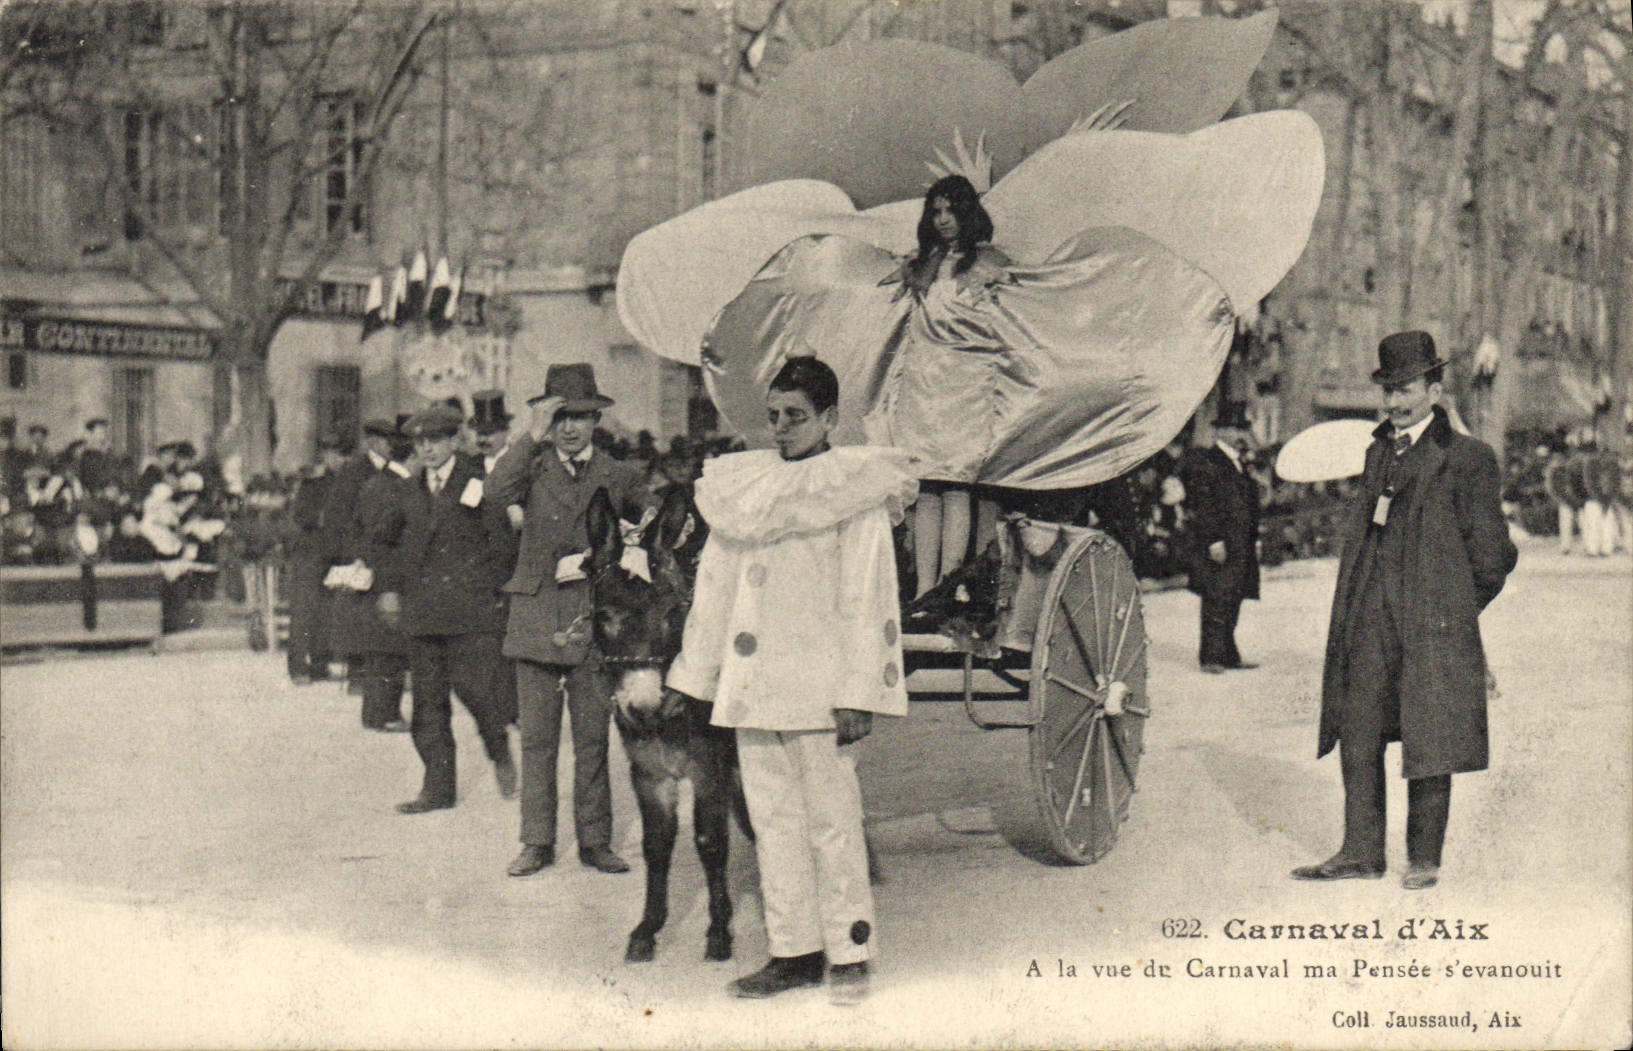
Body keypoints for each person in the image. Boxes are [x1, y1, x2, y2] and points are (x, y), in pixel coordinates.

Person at [667, 357, 917, 1004]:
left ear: (831, 418)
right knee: (773, 820)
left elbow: (868, 598)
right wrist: (697, 674)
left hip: (820, 687)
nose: (780, 429)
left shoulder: (851, 491)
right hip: (754, 684)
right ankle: (793, 949)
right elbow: (715, 585)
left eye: (796, 417)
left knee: (831, 819)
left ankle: (850, 949)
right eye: (773, 416)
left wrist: (859, 692)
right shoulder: (745, 487)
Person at [1292, 331, 1516, 890]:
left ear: (1436, 390)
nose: (1393, 403)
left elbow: (1494, 556)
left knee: (1430, 736)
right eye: (1387, 391)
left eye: (1406, 390)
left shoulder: (1467, 459)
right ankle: (1361, 852)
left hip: (1430, 625)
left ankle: (1424, 858)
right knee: (1358, 731)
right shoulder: (1377, 452)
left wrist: (1452, 608)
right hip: (1369, 622)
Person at [486, 364, 649, 876]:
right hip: (535, 617)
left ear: (597, 418)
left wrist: (629, 545)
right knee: (536, 740)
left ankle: (595, 841)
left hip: (591, 622)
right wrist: (527, 439)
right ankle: (536, 841)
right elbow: (493, 497)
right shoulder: (530, 467)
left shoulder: (618, 474)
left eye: (579, 416)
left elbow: (651, 522)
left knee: (592, 739)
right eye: (559, 417)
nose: (570, 428)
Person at [379, 405, 517, 814]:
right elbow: (385, 543)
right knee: (427, 705)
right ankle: (437, 789)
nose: (427, 450)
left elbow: (501, 544)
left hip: (471, 613)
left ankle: (498, 746)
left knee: (478, 692)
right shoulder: (406, 490)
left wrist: (494, 593)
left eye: (436, 441)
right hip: (423, 616)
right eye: (420, 442)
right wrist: (388, 589)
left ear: (455, 441)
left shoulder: (478, 483)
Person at [323, 419, 410, 733]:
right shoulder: (375, 479)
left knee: (380, 642)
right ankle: (381, 711)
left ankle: (378, 709)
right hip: (376, 566)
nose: (389, 445)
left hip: (374, 562)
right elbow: (345, 521)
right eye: (385, 439)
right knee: (386, 642)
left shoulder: (382, 478)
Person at [1179, 400, 1261, 673]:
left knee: (1233, 595)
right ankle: (1211, 656)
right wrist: (1213, 540)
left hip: (1240, 542)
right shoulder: (1210, 461)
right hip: (1221, 543)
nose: (1241, 435)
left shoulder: (1238, 462)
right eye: (1235, 428)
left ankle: (1228, 653)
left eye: (1243, 428)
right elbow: (1204, 505)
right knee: (1217, 596)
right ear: (1220, 431)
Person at [285, 435, 346, 684]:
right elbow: (301, 516)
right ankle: (298, 667)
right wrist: (324, 518)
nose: (337, 460)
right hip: (310, 552)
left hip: (333, 552)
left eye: (342, 455)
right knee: (304, 610)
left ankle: (321, 664)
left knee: (326, 611)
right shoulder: (313, 482)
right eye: (333, 454)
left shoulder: (346, 482)